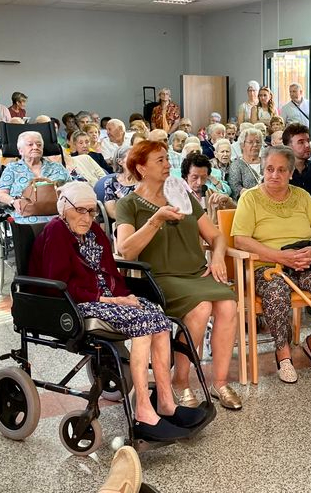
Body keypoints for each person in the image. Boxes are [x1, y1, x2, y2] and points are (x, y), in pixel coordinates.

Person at [30, 182, 206, 441]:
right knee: (143, 326)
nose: (87, 217)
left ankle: (166, 404)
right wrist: (109, 300)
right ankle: (144, 412)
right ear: (64, 208)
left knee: (159, 319)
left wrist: (124, 295)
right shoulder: (57, 231)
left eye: (91, 212)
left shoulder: (94, 232)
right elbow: (59, 284)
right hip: (74, 303)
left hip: (107, 299)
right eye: (80, 210)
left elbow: (110, 269)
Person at [115, 141, 241, 410]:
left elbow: (216, 235)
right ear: (141, 167)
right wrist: (156, 220)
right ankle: (180, 381)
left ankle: (220, 381)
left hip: (195, 273)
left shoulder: (181, 196)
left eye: (166, 159)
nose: (167, 164)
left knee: (228, 305)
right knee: (201, 308)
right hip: (158, 278)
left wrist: (218, 256)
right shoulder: (129, 204)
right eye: (159, 160)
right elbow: (125, 251)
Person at [232, 145, 311, 383]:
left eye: (282, 170)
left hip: (306, 260)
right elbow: (240, 239)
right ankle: (282, 351)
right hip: (268, 265)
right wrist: (278, 256)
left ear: (291, 173)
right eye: (270, 169)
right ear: (263, 170)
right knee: (275, 293)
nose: (275, 175)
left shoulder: (302, 196)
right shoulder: (250, 198)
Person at [0, 131, 71, 224]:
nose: (35, 147)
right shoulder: (12, 168)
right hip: (25, 217)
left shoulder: (57, 167)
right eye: (30, 144)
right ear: (20, 150)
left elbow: (72, 188)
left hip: (58, 215)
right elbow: (1, 194)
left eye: (39, 144)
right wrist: (13, 201)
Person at [284, 123, 311, 205]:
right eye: (301, 142)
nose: (307, 145)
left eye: (308, 141)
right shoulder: (281, 171)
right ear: (288, 147)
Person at [227, 127, 264, 199]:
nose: (255, 145)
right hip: (247, 203)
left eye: (258, 142)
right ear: (242, 145)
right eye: (251, 142)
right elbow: (235, 188)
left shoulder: (267, 162)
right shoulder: (236, 165)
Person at [104, 147, 136, 220]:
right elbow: (112, 212)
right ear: (120, 161)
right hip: (123, 221)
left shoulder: (143, 180)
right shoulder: (111, 183)